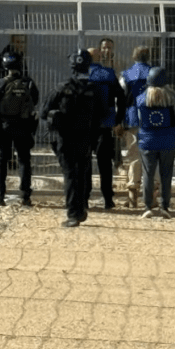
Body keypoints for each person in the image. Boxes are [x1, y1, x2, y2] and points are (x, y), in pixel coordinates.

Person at [41, 50, 107, 228]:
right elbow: (103, 113)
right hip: (86, 137)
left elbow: (44, 112)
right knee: (82, 173)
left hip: (65, 138)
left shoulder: (62, 87)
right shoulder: (94, 89)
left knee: (70, 175)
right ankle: (82, 208)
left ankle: (73, 214)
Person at [0, 52, 39, 207]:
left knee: (1, 160)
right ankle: (25, 197)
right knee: (24, 160)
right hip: (23, 126)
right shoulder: (29, 83)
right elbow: (35, 100)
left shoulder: (0, 83)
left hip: (3, 126)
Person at [136, 67, 175, 220]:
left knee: (148, 174)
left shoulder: (141, 98)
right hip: (168, 140)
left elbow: (140, 119)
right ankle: (165, 206)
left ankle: (148, 207)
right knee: (166, 174)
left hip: (148, 141)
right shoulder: (172, 97)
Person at [87, 46, 127, 209]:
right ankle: (108, 199)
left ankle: (84, 198)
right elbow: (121, 98)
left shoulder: (81, 74)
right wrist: (118, 120)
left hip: (86, 126)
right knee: (105, 164)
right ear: (99, 57)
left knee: (85, 163)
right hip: (105, 124)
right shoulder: (109, 74)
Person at [119, 45, 152, 207]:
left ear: (133, 57)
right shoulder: (155, 73)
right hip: (153, 119)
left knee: (134, 156)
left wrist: (119, 121)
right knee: (152, 155)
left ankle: (133, 197)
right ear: (149, 57)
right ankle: (153, 196)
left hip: (133, 118)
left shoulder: (126, 75)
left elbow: (121, 99)